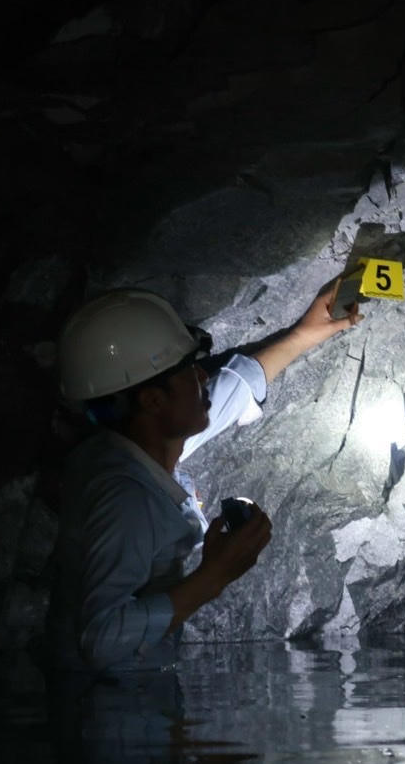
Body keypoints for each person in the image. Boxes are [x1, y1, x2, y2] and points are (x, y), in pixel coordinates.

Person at [46, 282, 357, 672]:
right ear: (152, 400)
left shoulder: (141, 445)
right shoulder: (126, 499)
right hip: (109, 700)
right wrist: (215, 575)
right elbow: (102, 639)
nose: (202, 376)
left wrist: (305, 333)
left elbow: (233, 391)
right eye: (188, 371)